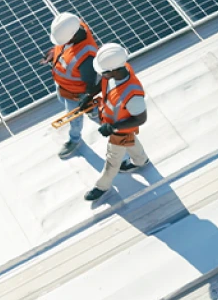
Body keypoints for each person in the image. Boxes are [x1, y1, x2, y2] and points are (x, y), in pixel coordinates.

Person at [83, 43, 150, 201]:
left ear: (114, 70)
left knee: (112, 162)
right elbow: (104, 83)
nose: (102, 75)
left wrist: (113, 127)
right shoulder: (118, 70)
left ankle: (102, 186)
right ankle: (141, 161)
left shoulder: (132, 95)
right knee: (131, 141)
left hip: (119, 130)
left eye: (104, 72)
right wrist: (89, 94)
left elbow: (140, 119)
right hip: (117, 126)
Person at [45, 13, 101, 159]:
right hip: (63, 87)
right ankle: (93, 111)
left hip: (75, 95)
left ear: (73, 35)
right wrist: (53, 53)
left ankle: (75, 140)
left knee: (74, 120)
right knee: (62, 101)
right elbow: (64, 47)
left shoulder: (86, 57)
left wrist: (86, 99)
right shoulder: (72, 26)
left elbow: (92, 84)